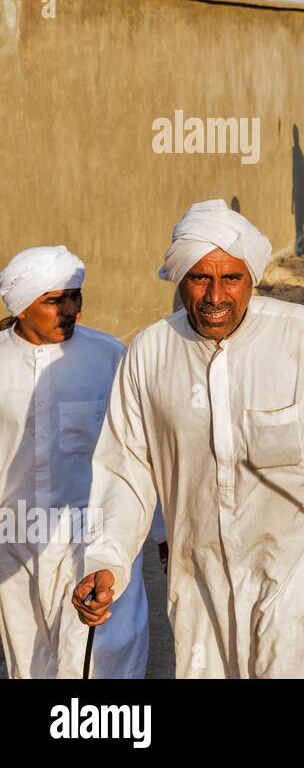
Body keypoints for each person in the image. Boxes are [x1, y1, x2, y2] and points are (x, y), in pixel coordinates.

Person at [72, 200, 304, 678]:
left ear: (251, 280)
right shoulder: (150, 352)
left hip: (300, 581)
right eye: (200, 277)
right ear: (180, 278)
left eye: (231, 279)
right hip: (202, 585)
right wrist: (106, 559)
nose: (215, 295)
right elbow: (125, 471)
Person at [0, 247, 156, 678]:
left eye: (75, 297)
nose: (71, 311)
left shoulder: (110, 357)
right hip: (14, 542)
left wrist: (159, 529)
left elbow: (139, 448)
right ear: (21, 306)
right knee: (28, 660)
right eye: (54, 300)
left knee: (104, 656)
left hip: (95, 538)